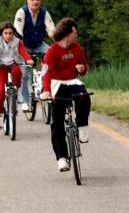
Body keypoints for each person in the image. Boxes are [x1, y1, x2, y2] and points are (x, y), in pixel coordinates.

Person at [39, 18, 91, 172]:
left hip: (72, 82)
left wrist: (82, 69)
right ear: (67, 33)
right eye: (74, 32)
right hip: (57, 85)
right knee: (57, 122)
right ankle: (61, 158)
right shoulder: (52, 51)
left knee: (84, 97)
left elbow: (84, 67)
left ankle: (82, 125)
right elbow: (46, 73)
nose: (76, 35)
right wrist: (46, 90)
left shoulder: (77, 48)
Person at [0, 22, 33, 131]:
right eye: (5, 33)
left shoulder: (17, 41)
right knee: (0, 92)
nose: (8, 35)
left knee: (18, 72)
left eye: (10, 33)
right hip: (0, 66)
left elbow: (23, 51)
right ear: (2, 33)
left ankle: (18, 92)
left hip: (13, 64)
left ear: (13, 33)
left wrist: (28, 59)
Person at [13, 0, 56, 111]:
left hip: (38, 43)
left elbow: (51, 29)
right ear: (27, 1)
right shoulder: (22, 12)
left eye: (37, 0)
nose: (35, 2)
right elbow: (17, 30)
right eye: (32, 0)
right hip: (24, 44)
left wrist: (57, 42)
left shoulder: (44, 13)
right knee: (25, 74)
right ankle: (25, 100)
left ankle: (46, 86)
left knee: (51, 55)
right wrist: (21, 49)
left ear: (40, 1)